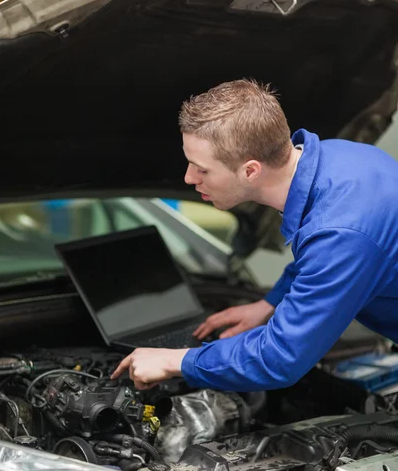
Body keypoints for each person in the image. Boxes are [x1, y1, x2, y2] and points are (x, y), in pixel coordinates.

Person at [111, 78, 398, 391]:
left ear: (250, 170)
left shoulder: (340, 232)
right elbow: (320, 261)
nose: (188, 178)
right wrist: (269, 304)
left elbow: (280, 359)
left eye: (201, 169)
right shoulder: (340, 157)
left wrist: (174, 361)